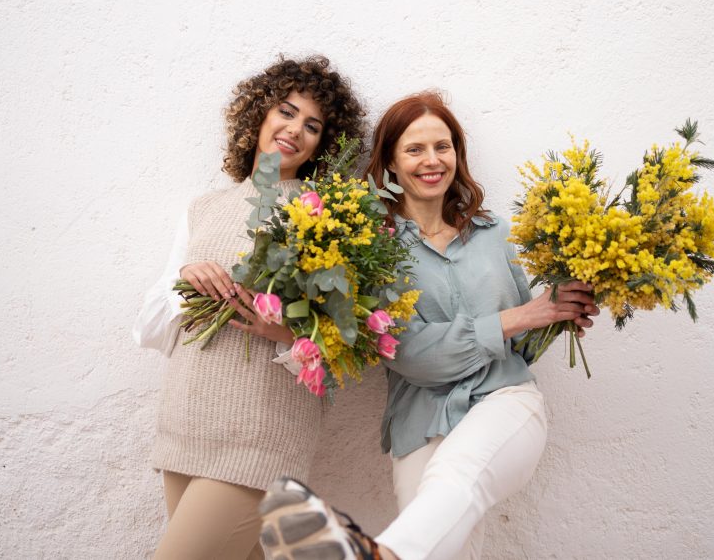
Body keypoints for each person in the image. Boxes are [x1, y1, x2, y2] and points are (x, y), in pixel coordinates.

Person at [257, 91, 600, 560]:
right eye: (415, 149)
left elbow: (521, 341)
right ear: (392, 164)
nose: (432, 160)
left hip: (505, 398)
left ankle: (376, 553)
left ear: (457, 153)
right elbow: (412, 356)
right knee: (442, 543)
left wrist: (561, 312)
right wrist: (524, 316)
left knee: (453, 475)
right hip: (420, 423)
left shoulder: (495, 232)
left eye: (443, 146)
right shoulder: (367, 250)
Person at [132, 56, 367, 560]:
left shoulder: (327, 216)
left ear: (322, 144)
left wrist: (281, 331)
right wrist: (183, 283)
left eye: (312, 126)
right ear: (259, 115)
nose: (294, 130)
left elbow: (346, 346)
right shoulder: (205, 208)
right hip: (186, 422)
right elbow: (150, 330)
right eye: (286, 112)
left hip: (260, 436)